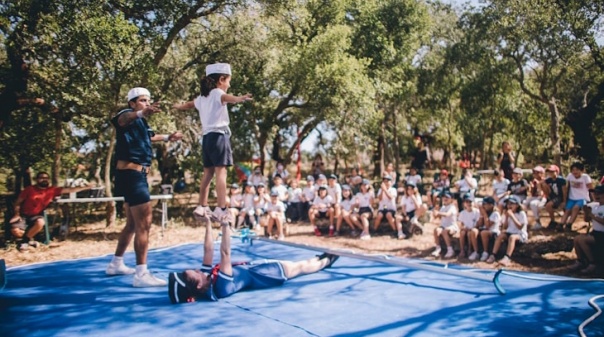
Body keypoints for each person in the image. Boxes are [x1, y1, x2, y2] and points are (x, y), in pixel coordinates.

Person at [107, 87, 183, 287]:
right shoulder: (126, 115)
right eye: (142, 100)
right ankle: (141, 274)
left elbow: (150, 137)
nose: (147, 104)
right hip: (132, 176)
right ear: (132, 103)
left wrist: (169, 137)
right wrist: (140, 112)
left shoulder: (140, 122)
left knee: (132, 224)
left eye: (148, 101)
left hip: (133, 175)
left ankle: (116, 264)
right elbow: (122, 121)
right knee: (144, 224)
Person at [167, 217, 339, 304]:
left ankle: (321, 257)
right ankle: (327, 261)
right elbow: (225, 253)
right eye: (195, 274)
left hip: (258, 267)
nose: (198, 270)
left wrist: (208, 223)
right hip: (268, 274)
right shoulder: (220, 288)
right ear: (197, 286)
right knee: (301, 267)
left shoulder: (204, 280)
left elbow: (208, 249)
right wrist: (226, 224)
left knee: (303, 263)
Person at [172, 63, 253, 224]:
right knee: (221, 173)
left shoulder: (203, 97)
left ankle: (202, 205)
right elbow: (226, 98)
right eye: (228, 81)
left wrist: (178, 106)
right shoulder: (217, 93)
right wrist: (239, 98)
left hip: (207, 139)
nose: (229, 84)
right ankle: (221, 208)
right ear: (221, 79)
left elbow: (189, 104)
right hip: (219, 137)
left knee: (207, 173)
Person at [9, 171, 95, 251]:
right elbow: (18, 202)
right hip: (23, 214)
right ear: (37, 179)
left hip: (36, 215)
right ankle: (29, 241)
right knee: (16, 231)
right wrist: (17, 214)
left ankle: (24, 242)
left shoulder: (52, 190)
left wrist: (86, 187)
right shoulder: (29, 189)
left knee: (41, 222)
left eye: (46, 178)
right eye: (42, 178)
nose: (44, 179)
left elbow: (70, 190)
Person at [569, 185, 604, 274]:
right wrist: (586, 213)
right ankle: (581, 261)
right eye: (595, 193)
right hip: (595, 233)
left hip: (602, 234)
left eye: (599, 193)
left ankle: (593, 263)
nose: (596, 195)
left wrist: (592, 215)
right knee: (577, 238)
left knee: (582, 240)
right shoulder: (594, 206)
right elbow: (587, 220)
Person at [486, 196, 528, 266]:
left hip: (520, 234)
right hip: (510, 232)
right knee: (500, 236)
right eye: (508, 204)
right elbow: (505, 227)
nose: (509, 206)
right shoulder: (506, 214)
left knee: (512, 237)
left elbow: (520, 227)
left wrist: (512, 216)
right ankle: (493, 255)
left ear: (517, 205)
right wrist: (507, 217)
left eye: (512, 204)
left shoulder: (521, 214)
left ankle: (507, 257)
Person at [559, 161, 593, 232]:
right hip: (572, 198)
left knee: (576, 208)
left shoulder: (585, 177)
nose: (575, 172)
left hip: (582, 198)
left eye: (577, 170)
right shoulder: (570, 176)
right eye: (573, 170)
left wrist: (593, 199)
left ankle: (569, 224)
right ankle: (561, 224)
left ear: (582, 170)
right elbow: (567, 187)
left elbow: (591, 189)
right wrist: (565, 199)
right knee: (567, 210)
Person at [431, 192, 459, 258]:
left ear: (451, 199)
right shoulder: (443, 207)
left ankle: (450, 250)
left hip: (452, 226)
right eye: (444, 197)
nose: (445, 199)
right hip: (443, 226)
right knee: (436, 230)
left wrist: (438, 213)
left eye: (447, 197)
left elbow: (447, 214)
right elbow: (438, 216)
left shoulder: (452, 207)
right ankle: (438, 248)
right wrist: (435, 214)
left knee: (445, 231)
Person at [541, 165, 566, 229]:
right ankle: (553, 221)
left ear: (557, 172)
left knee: (548, 205)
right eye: (549, 172)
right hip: (552, 196)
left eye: (552, 172)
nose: (550, 173)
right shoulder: (548, 180)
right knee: (547, 205)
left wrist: (564, 201)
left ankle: (553, 221)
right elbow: (542, 184)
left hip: (559, 197)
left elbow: (564, 191)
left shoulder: (561, 180)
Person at [478, 196, 502, 262]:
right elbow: (480, 225)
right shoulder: (485, 213)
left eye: (485, 204)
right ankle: (475, 252)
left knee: (483, 233)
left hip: (494, 231)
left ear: (491, 205)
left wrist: (484, 214)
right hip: (485, 229)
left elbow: (488, 226)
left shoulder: (495, 214)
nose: (483, 206)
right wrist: (481, 215)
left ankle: (485, 252)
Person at [457, 194, 480, 260]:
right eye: (467, 202)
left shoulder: (477, 212)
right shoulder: (462, 213)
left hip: (473, 229)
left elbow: (478, 223)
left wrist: (472, 228)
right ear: (464, 204)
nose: (469, 204)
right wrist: (463, 227)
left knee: (470, 233)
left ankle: (470, 249)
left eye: (470, 202)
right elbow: (461, 224)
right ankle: (462, 250)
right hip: (466, 228)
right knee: (462, 233)